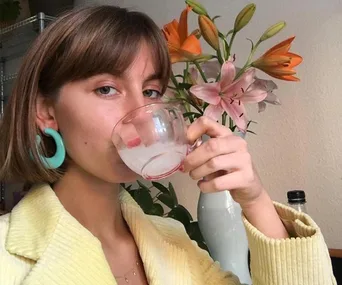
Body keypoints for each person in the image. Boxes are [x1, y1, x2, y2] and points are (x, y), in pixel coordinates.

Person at [0, 5, 336, 285]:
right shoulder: (7, 254)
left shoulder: (174, 241)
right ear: (46, 113)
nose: (140, 113)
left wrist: (255, 200)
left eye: (150, 92)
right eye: (106, 89)